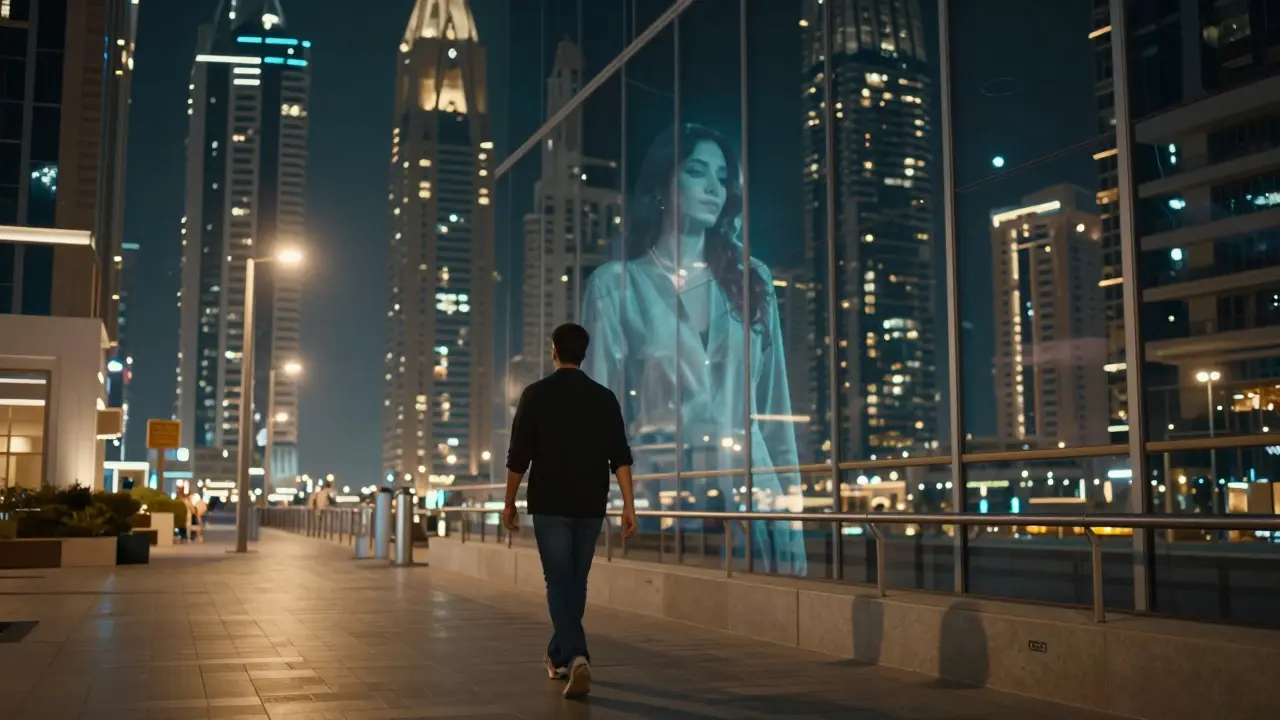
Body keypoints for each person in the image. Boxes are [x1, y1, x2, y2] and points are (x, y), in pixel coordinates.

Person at [581, 123, 807, 576]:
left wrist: (792, 514)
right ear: (663, 185)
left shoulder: (752, 279)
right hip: (666, 496)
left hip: (754, 500)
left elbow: (774, 411)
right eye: (696, 172)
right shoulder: (617, 286)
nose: (713, 188)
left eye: (722, 178)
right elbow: (596, 413)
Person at [503, 322, 637, 699]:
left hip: (549, 504)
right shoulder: (605, 397)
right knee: (575, 581)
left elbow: (518, 457)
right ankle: (558, 655)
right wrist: (629, 505)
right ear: (584, 353)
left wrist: (509, 501)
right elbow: (621, 458)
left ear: (554, 352)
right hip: (591, 504)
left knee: (559, 581)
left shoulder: (535, 395)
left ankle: (576, 655)